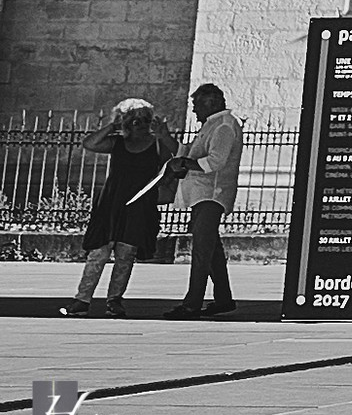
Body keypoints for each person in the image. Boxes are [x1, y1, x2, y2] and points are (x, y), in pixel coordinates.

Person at [62, 99, 177, 318]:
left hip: (139, 204)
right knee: (99, 252)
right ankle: (82, 299)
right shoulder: (117, 143)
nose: (139, 124)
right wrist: (111, 126)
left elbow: (171, 162)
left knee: (126, 254)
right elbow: (90, 144)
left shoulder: (157, 143)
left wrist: (164, 137)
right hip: (111, 203)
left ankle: (114, 300)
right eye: (134, 120)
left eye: (144, 119)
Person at [166, 83, 243, 318]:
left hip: (213, 194)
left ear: (211, 103)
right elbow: (188, 151)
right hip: (202, 195)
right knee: (211, 249)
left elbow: (215, 161)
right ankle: (223, 297)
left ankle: (192, 303)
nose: (194, 111)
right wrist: (166, 139)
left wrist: (185, 165)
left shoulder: (223, 126)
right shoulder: (212, 126)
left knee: (202, 249)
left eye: (196, 105)